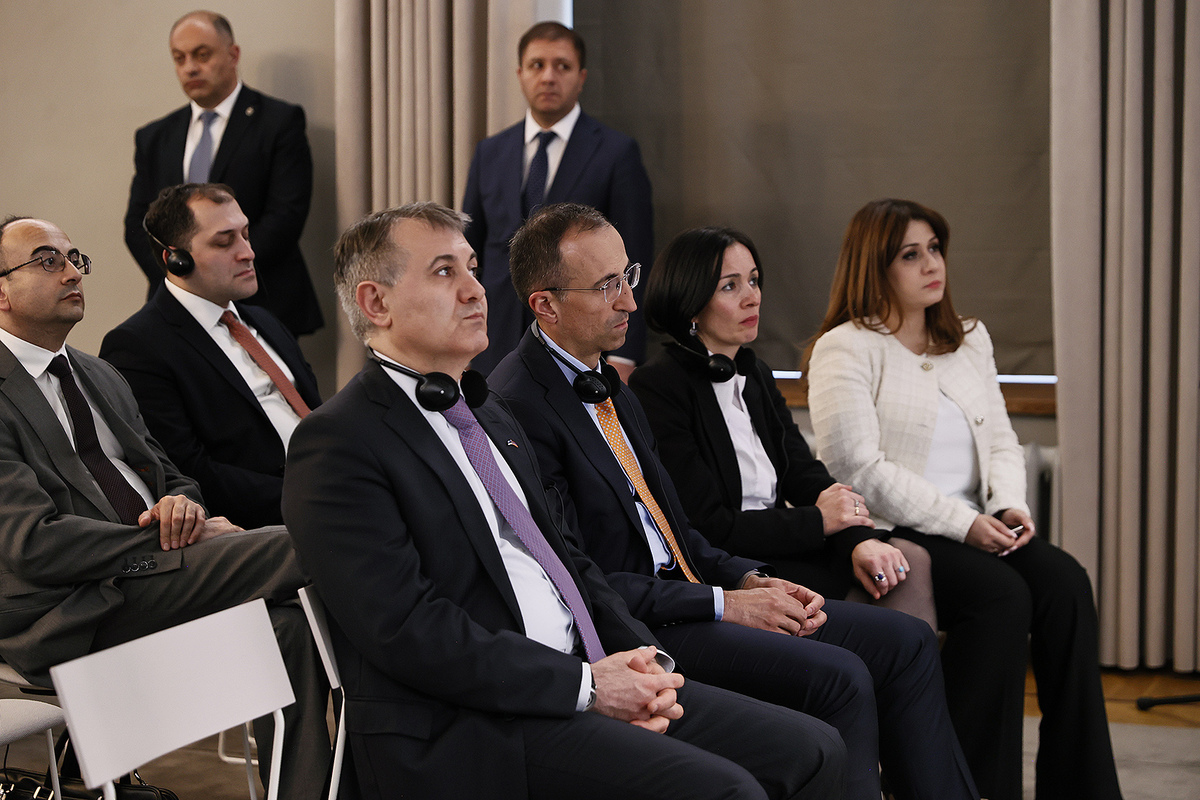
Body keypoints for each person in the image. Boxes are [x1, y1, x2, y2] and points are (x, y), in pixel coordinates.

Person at [281, 201, 846, 800]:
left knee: (814, 751)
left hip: (582, 674)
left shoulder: (487, 411)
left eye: (473, 269)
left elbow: (568, 557)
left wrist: (644, 660)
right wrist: (587, 687)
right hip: (475, 725)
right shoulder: (337, 442)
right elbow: (409, 630)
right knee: (728, 791)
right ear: (376, 303)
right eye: (445, 271)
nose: (476, 290)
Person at [491, 203, 978, 800]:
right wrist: (726, 604)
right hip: (643, 624)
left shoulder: (610, 384)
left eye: (628, 277)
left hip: (695, 591)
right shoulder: (517, 405)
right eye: (607, 286)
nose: (630, 302)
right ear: (545, 304)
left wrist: (751, 579)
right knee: (843, 677)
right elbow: (582, 578)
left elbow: (680, 532)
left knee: (907, 641)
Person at [0, 216, 328, 800]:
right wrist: (166, 540)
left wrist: (183, 508)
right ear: (1, 291)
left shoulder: (99, 374)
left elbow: (173, 476)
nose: (73, 272)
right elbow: (33, 543)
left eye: (75, 258)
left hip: (154, 575)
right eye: (48, 261)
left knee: (289, 630)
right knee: (320, 543)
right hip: (67, 607)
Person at [804, 198, 1122, 800]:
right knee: (1002, 597)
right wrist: (966, 523)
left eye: (935, 248)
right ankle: (970, 787)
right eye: (910, 254)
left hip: (977, 522)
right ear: (874, 265)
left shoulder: (969, 339)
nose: (932, 264)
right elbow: (859, 469)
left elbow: (1001, 437)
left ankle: (1084, 789)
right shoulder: (845, 347)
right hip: (898, 530)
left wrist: (1009, 506)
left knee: (1066, 584)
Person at [630, 226, 936, 631]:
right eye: (730, 286)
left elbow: (802, 472)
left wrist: (857, 540)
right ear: (691, 303)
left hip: (784, 541)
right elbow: (707, 525)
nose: (752, 297)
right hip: (735, 565)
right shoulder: (659, 385)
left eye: (754, 280)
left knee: (907, 559)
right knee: (888, 610)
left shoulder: (754, 372)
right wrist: (819, 522)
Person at [102, 184, 321, 529]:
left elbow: (314, 412)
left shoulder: (263, 321)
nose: (248, 252)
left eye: (246, 235)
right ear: (176, 259)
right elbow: (188, 470)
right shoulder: (137, 345)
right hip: (271, 521)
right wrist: (314, 498)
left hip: (336, 484)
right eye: (224, 242)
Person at [462, 21, 652, 378]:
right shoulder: (490, 152)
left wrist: (624, 356)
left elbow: (635, 257)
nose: (548, 77)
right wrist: (461, 337)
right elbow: (469, 252)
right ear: (520, 74)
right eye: (537, 65)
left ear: (581, 77)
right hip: (494, 342)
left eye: (562, 66)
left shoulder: (616, 152)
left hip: (577, 343)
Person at [124, 10, 322, 336]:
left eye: (202, 55)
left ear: (233, 55)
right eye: (179, 58)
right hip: (177, 307)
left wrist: (213, 275)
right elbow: (139, 224)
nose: (190, 67)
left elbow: (285, 216)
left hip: (262, 303)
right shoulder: (155, 136)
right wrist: (179, 276)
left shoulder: (277, 121)